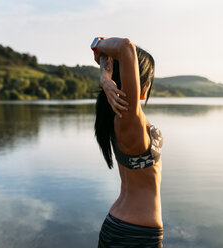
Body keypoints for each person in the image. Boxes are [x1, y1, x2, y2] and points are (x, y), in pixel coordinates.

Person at [92, 37, 163, 248]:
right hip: (137, 235)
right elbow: (125, 46)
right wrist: (105, 80)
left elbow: (119, 52)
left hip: (120, 225)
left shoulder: (122, 119)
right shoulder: (129, 118)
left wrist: (104, 71)